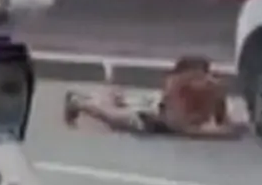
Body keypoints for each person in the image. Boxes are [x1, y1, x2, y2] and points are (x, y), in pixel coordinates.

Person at [62, 56, 243, 140]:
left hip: (159, 109)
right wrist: (216, 132)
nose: (204, 80)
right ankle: (79, 104)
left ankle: (98, 95)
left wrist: (224, 124)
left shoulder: (213, 88)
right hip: (154, 118)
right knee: (114, 118)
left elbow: (221, 115)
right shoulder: (177, 88)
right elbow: (181, 126)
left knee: (123, 105)